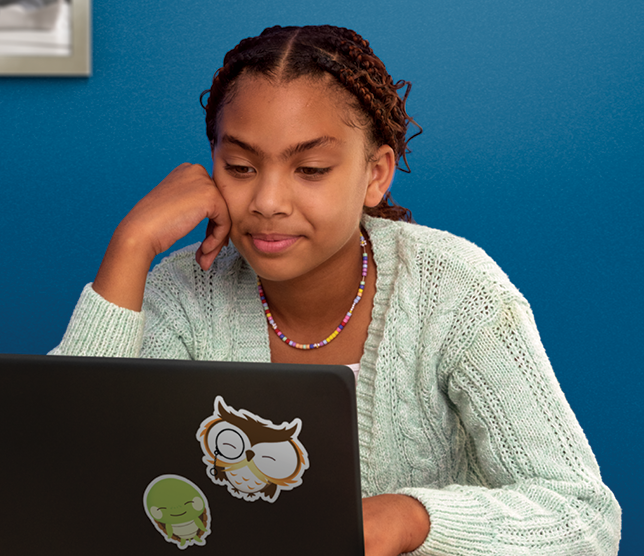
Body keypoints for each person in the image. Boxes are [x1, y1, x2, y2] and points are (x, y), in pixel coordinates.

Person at [50, 25, 621, 555]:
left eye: (312, 169)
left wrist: (409, 518)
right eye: (241, 166)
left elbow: (586, 517)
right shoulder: (185, 288)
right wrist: (130, 246)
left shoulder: (457, 291)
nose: (268, 201)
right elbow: (58, 480)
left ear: (375, 174)